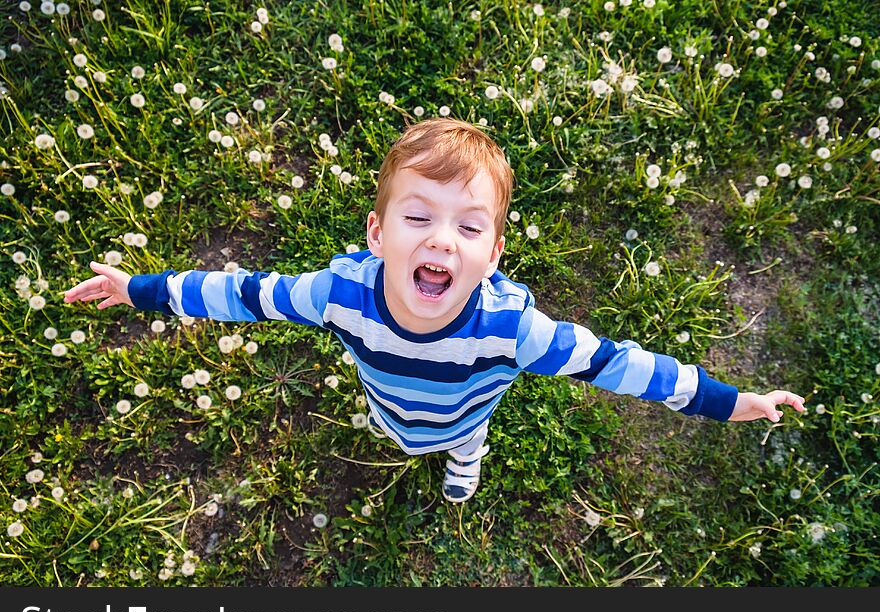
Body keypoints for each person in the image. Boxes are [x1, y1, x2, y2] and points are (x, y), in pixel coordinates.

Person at [63, 118, 806, 503]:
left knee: (461, 440)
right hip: (388, 403)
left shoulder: (515, 330)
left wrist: (727, 401)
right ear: (377, 235)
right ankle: (413, 439)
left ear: (494, 254)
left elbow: (621, 365)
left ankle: (462, 463)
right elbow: (242, 292)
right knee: (396, 427)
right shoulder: (336, 295)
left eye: (470, 226)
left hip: (466, 413)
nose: (442, 239)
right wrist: (142, 288)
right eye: (418, 218)